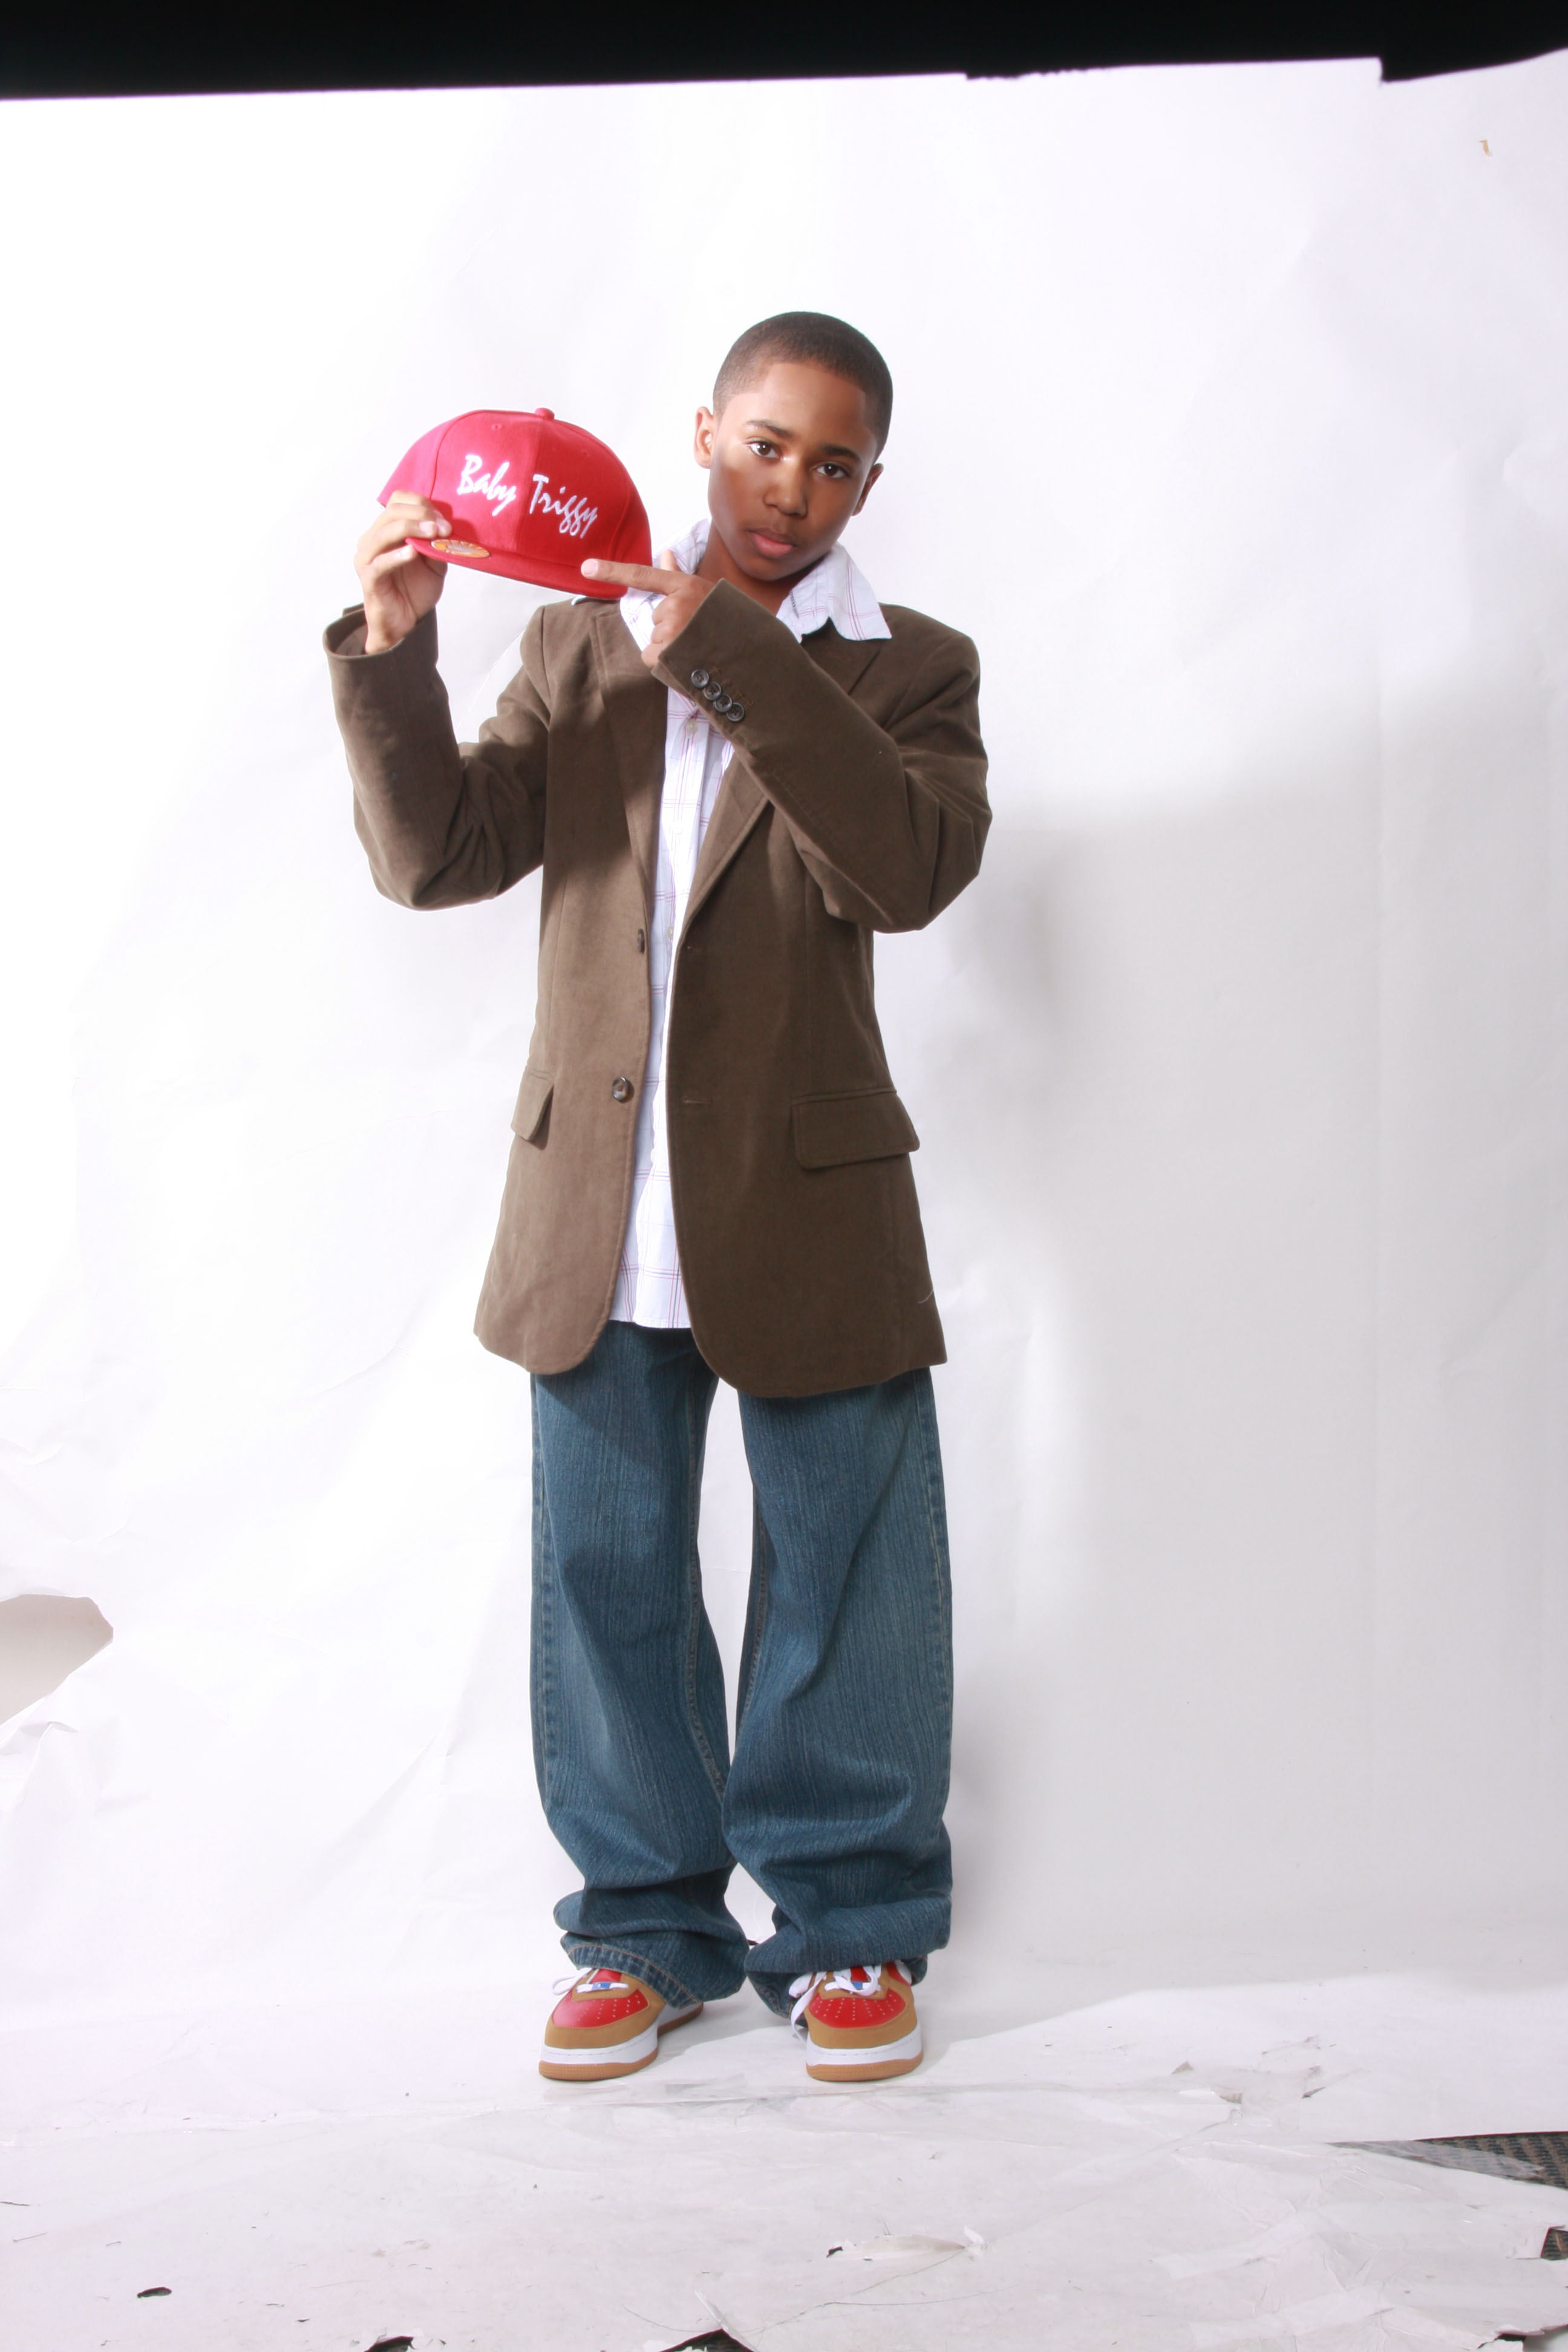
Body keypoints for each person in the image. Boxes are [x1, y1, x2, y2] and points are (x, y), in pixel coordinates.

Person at [326, 312, 990, 2084]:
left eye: (835, 463)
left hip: (809, 1199)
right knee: (607, 1579)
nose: (791, 489)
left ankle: (851, 1925)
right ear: (705, 432)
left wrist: (727, 654)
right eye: (766, 444)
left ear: (869, 485)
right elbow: (439, 858)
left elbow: (906, 869)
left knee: (846, 1581)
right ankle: (642, 1927)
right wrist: (394, 652)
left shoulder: (913, 667)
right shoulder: (573, 638)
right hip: (597, 1203)